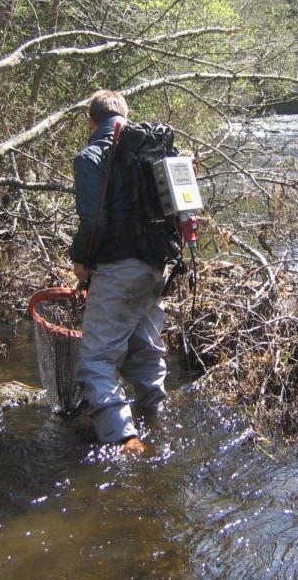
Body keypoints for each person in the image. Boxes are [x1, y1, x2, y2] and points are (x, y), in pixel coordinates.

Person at [69, 90, 167, 457]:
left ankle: (122, 440)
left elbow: (95, 220)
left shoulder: (90, 156)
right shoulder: (150, 150)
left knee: (96, 359)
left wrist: (81, 259)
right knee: (144, 347)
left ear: (91, 122)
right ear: (125, 115)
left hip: (119, 269)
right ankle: (154, 415)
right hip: (156, 267)